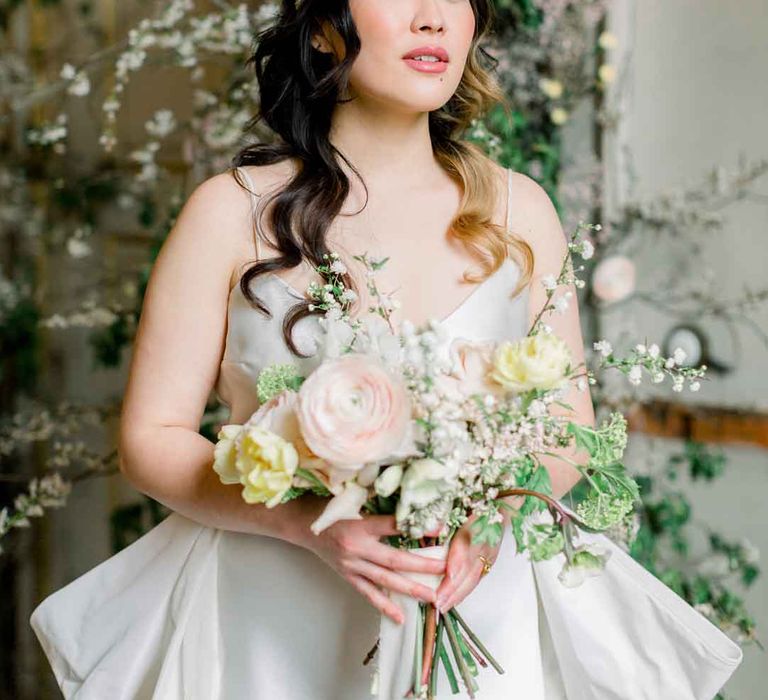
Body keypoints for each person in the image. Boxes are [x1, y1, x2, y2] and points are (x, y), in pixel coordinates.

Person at [30, 2, 743, 698]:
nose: (432, 16)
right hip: (270, 622)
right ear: (322, 29)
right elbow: (150, 439)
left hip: (477, 601)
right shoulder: (230, 212)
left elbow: (568, 425)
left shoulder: (520, 210)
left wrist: (492, 521)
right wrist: (305, 524)